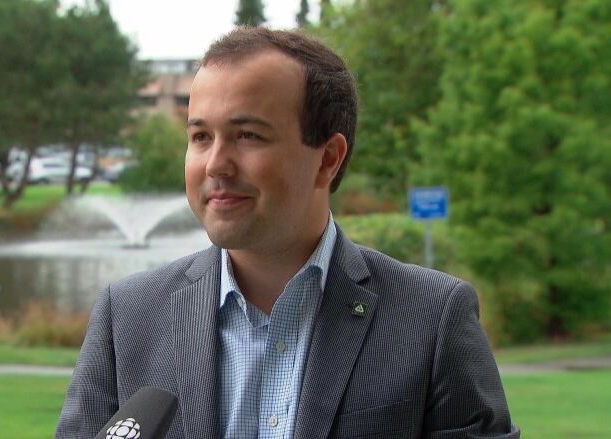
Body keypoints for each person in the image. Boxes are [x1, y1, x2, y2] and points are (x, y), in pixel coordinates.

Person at [56, 27, 519, 439]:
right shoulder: (128, 316)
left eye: (248, 136)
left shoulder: (432, 320)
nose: (216, 164)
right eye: (200, 137)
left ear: (328, 159)